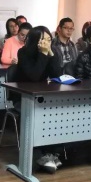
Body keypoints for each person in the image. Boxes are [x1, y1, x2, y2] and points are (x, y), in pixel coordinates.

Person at [16, 26, 62, 173]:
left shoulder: (49, 51)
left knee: (57, 114)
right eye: (43, 40)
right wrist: (43, 54)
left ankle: (51, 153)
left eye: (49, 40)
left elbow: (57, 76)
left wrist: (51, 54)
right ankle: (39, 155)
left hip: (42, 96)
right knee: (37, 117)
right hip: (24, 97)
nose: (47, 43)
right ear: (35, 40)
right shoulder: (23, 52)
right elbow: (34, 77)